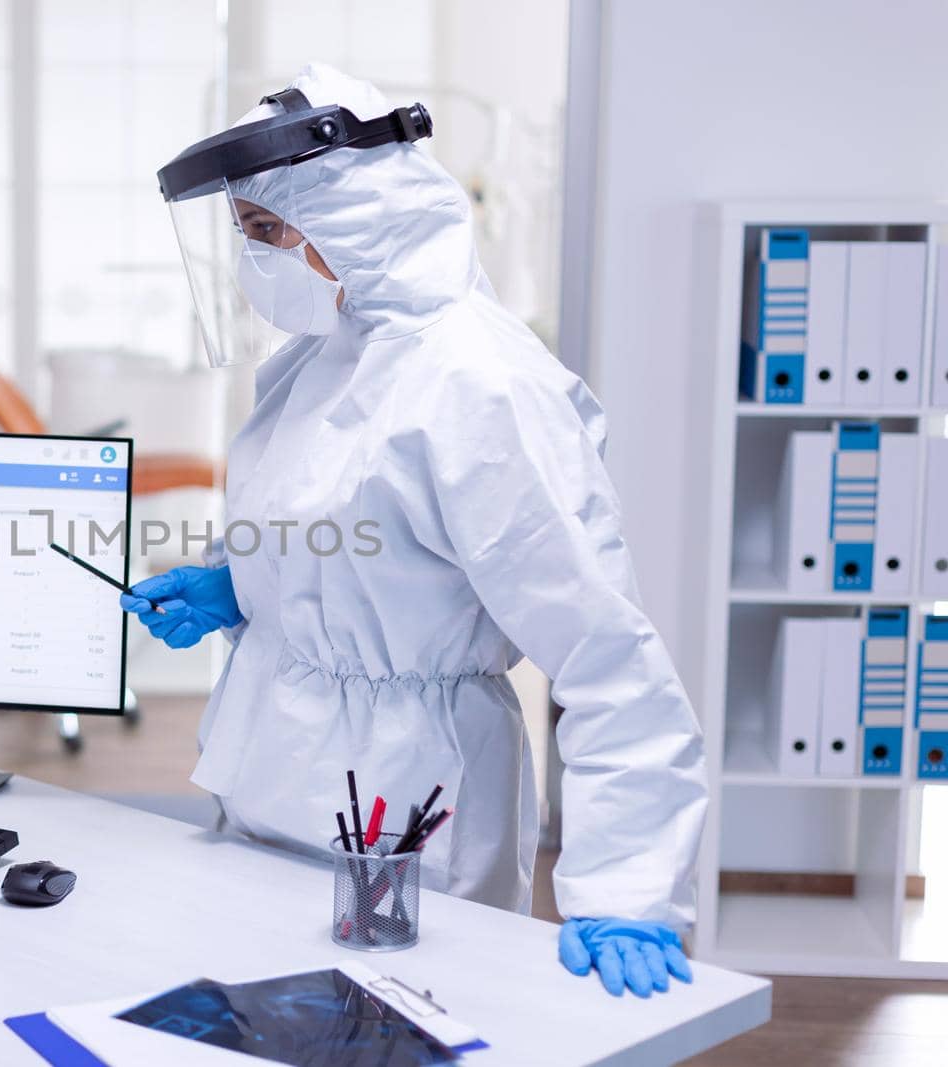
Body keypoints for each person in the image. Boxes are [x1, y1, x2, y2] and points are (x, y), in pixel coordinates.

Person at [130, 64, 707, 998]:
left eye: (269, 231)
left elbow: (609, 659)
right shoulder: (320, 358)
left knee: (396, 1033)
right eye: (245, 235)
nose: (256, 262)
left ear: (359, 215)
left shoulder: (484, 388)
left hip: (407, 819)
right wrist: (243, 589)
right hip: (265, 785)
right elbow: (357, 541)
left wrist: (628, 886)